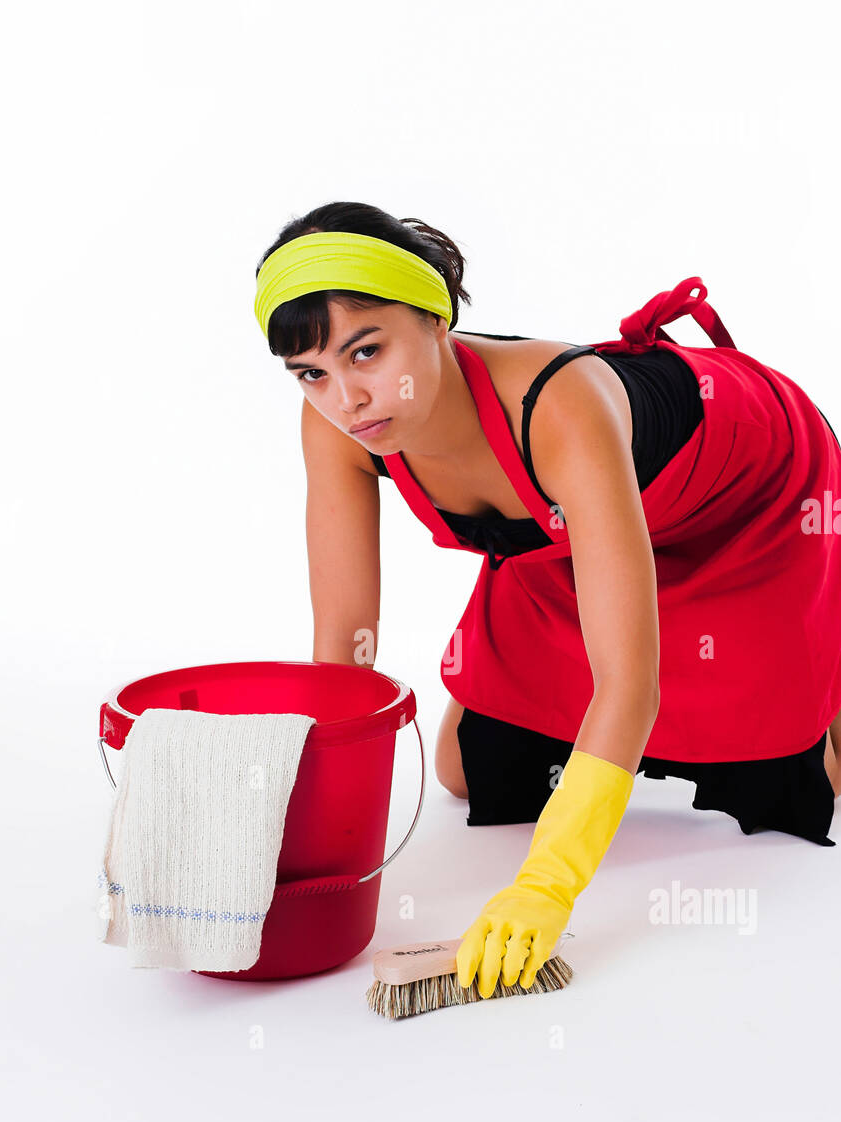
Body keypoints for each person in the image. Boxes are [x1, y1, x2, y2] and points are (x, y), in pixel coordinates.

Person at [253, 200, 841, 998]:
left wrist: (547, 885)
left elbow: (630, 686)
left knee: (783, 784)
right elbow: (345, 645)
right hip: (567, 535)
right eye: (311, 372)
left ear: (435, 319)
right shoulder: (339, 426)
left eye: (366, 351)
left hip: (747, 503)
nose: (348, 398)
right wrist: (308, 847)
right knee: (468, 767)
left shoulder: (560, 409)